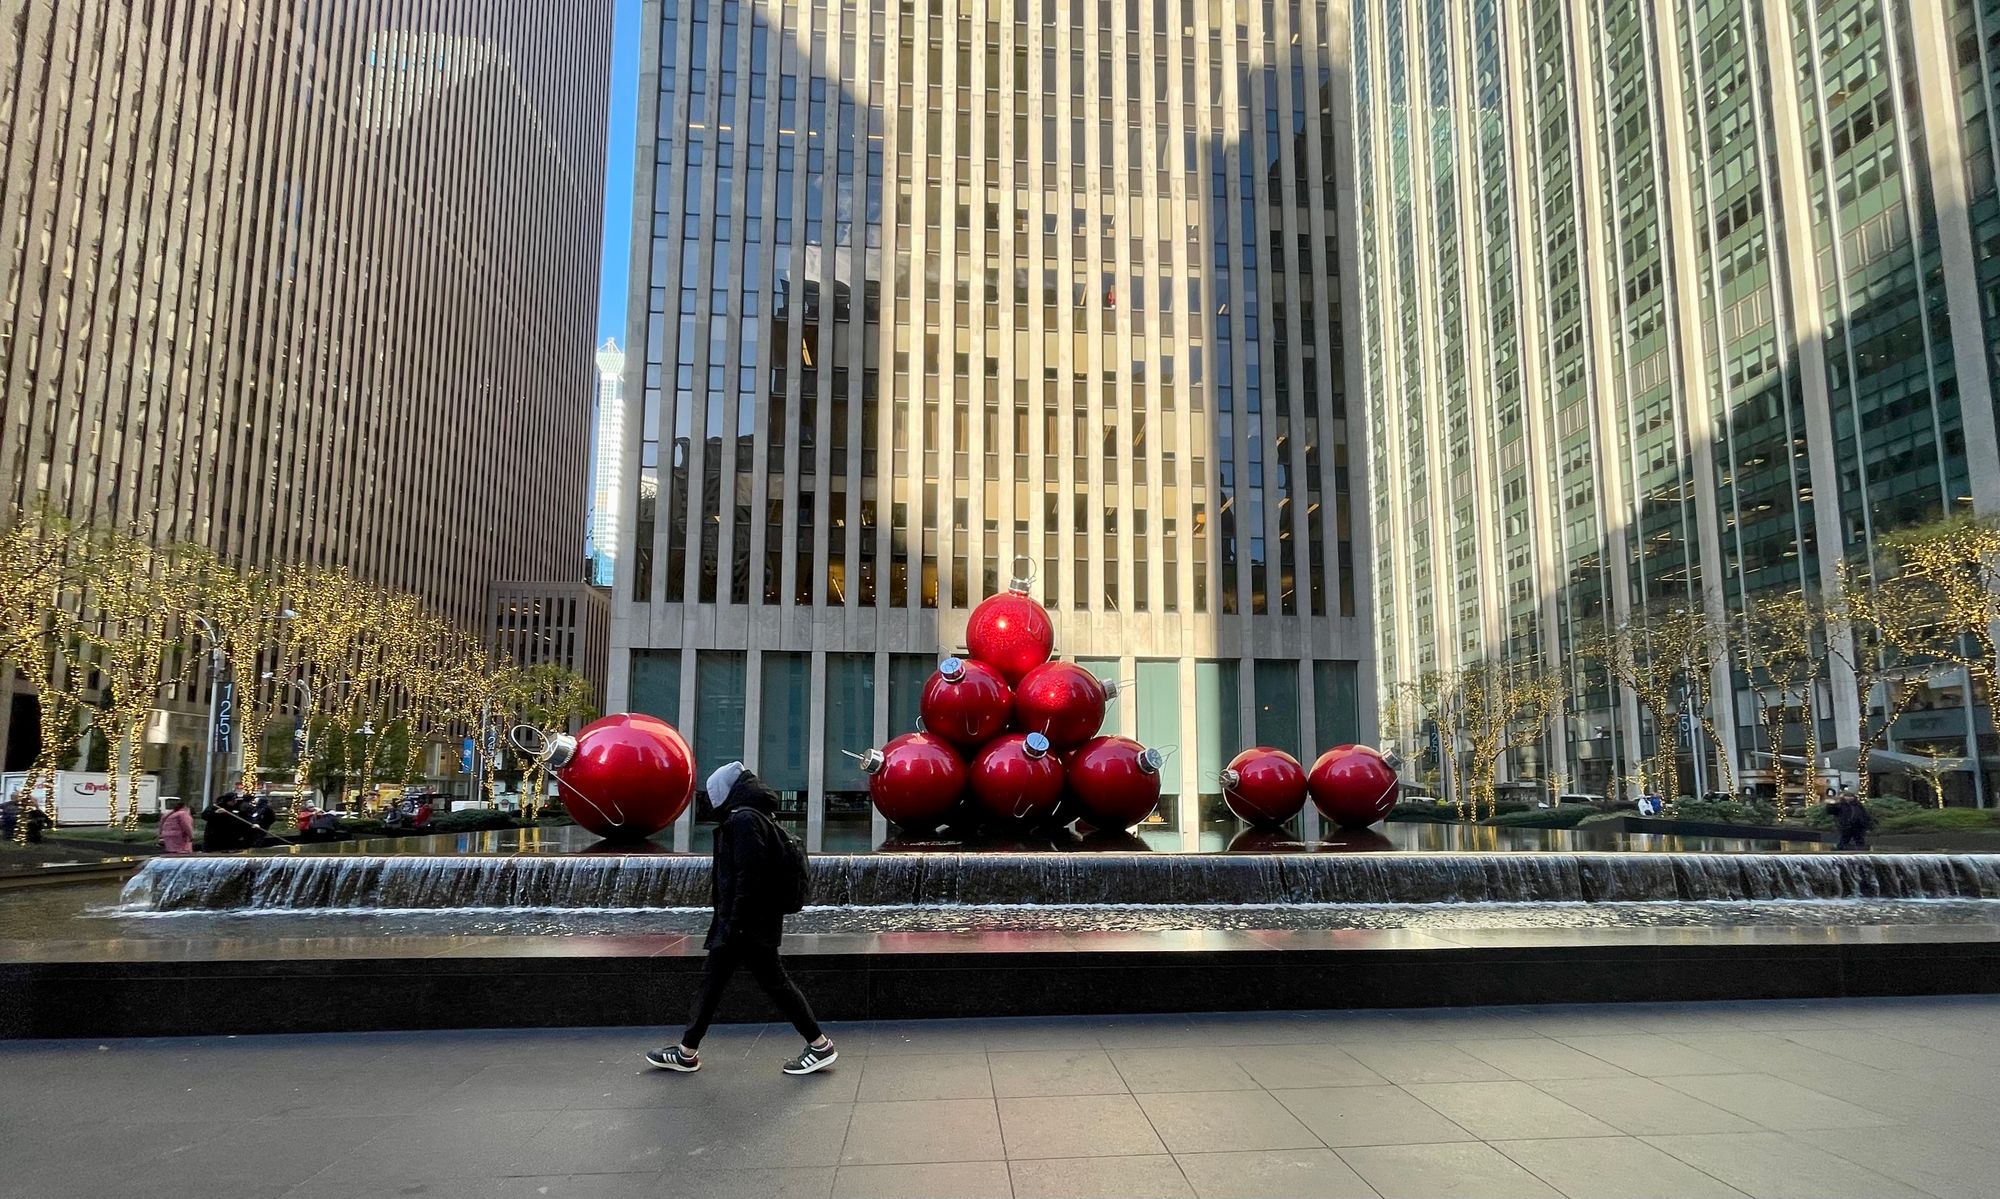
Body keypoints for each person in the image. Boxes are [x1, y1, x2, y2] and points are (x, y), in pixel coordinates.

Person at [648, 761, 834, 1076]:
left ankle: (820, 1046)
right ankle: (687, 1051)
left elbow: (749, 875)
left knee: (769, 983)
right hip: (749, 920)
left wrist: (735, 923)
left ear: (724, 793)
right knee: (718, 982)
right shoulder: (755, 816)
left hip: (746, 923)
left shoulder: (744, 820)